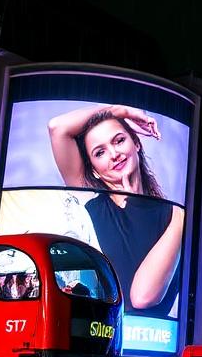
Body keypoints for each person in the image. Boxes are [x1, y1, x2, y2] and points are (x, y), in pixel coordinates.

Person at [49, 104, 184, 319]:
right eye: (100, 152)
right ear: (93, 168)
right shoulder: (92, 204)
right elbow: (57, 127)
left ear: (136, 143)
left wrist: (178, 216)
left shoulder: (173, 216)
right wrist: (120, 111)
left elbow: (142, 297)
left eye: (119, 140)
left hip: (156, 340)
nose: (114, 154)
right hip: (100, 337)